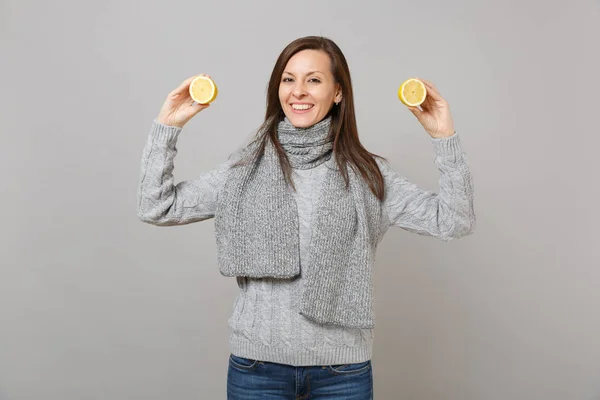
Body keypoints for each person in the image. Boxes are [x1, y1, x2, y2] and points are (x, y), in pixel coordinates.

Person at [137, 36, 475, 400]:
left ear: (338, 92)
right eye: (288, 79)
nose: (298, 91)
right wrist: (166, 127)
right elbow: (157, 205)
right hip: (256, 369)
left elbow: (454, 220)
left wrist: (444, 138)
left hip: (342, 372)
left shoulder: (369, 175)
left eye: (313, 80)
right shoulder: (243, 169)